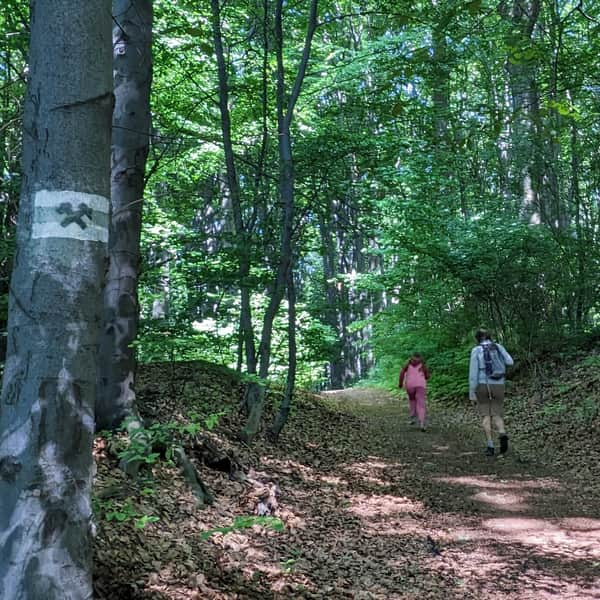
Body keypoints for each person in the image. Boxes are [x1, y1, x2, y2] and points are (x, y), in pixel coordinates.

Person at [468, 329, 514, 456]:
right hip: (499, 384)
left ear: (477, 339)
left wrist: (472, 393)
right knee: (497, 413)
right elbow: (510, 361)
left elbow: (473, 374)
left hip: (483, 385)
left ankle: (490, 445)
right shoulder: (498, 347)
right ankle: (502, 432)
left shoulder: (476, 350)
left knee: (486, 415)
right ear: (489, 336)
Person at [399, 353, 431, 431]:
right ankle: (422, 423)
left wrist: (400, 383)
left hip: (410, 385)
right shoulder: (423, 365)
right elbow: (427, 376)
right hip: (421, 385)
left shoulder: (407, 364)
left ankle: (412, 418)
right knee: (421, 403)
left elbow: (401, 373)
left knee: (412, 400)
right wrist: (424, 376)